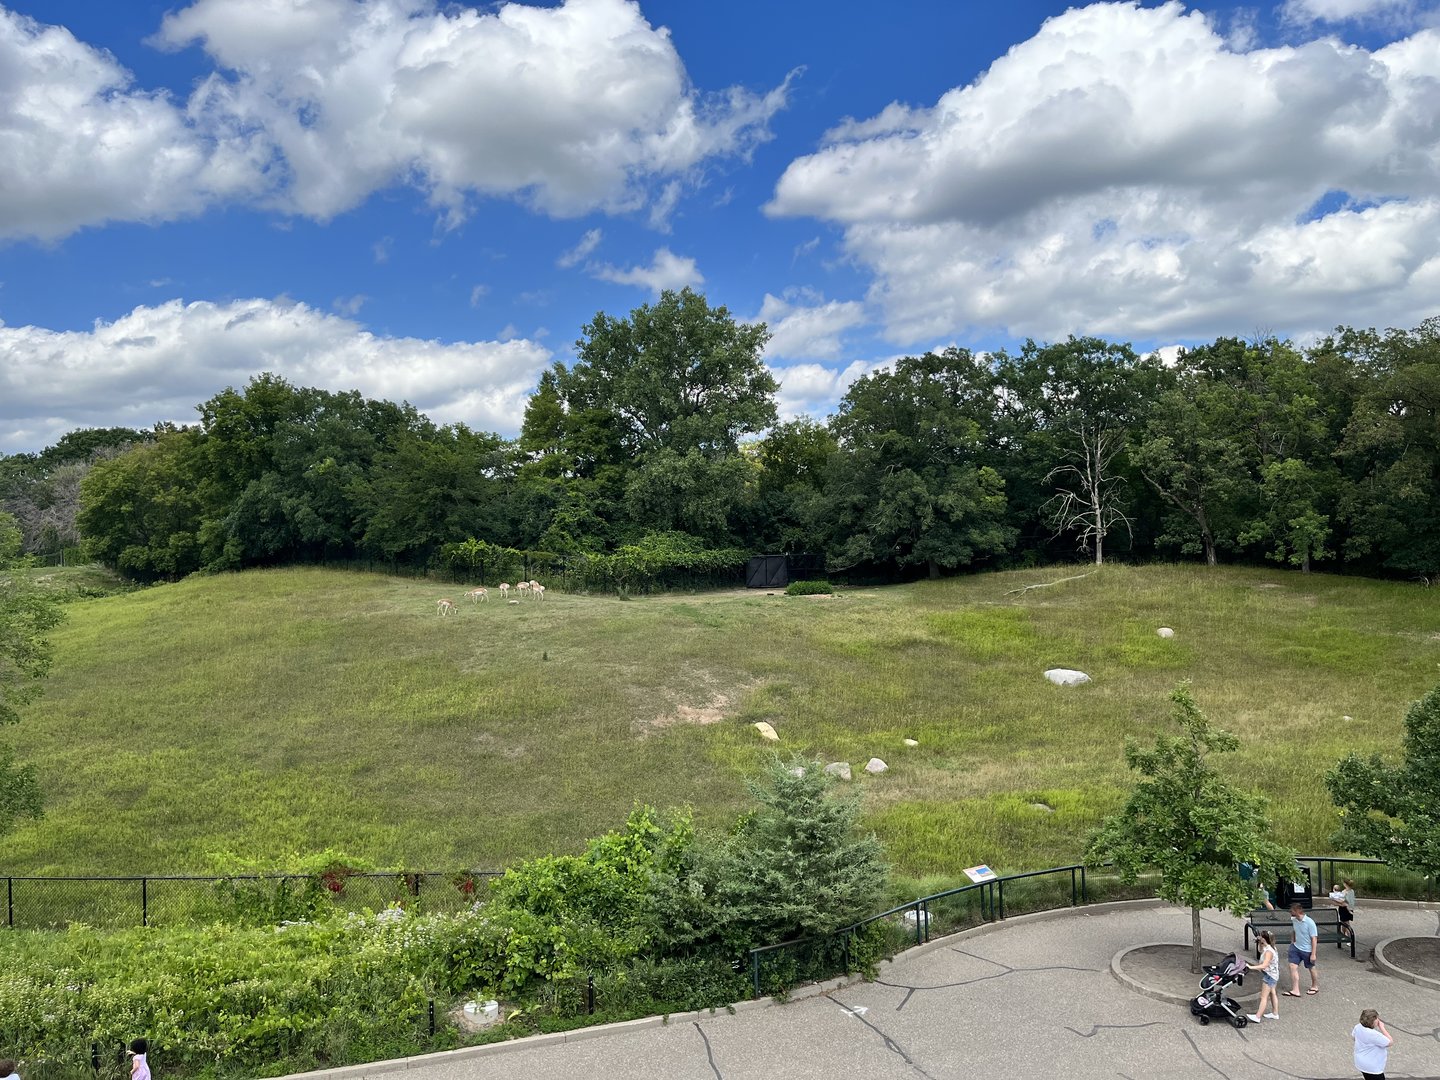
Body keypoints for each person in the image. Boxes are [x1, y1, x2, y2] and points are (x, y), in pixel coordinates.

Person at [1246, 929, 1282, 1023]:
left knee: (1264, 997)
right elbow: (1260, 950)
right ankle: (1275, 1013)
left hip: (1270, 976)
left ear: (1265, 939)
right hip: (1273, 974)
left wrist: (1251, 967)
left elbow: (1264, 965)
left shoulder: (1269, 952)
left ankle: (1258, 1016)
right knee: (1273, 993)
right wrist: (1260, 943)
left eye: (1261, 937)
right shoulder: (1270, 947)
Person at [1284, 902, 1319, 997]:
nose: (1290, 912)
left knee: (1311, 967)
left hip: (1307, 949)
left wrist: (1313, 954)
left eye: (1292, 910)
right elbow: (1294, 931)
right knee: (1292, 967)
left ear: (1297, 911)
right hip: (1296, 947)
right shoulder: (1294, 920)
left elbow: (1314, 938)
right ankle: (1295, 989)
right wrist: (1292, 943)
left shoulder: (1309, 922)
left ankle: (1315, 986)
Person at [1352, 1008, 1392, 1079]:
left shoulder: (1358, 1027)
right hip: (1372, 1068)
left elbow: (1354, 1037)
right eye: (1377, 1018)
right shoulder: (1374, 1034)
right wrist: (1382, 1027)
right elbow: (1390, 1042)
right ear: (1373, 1022)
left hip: (1361, 1063)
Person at [1330, 878, 1357, 942]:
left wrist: (1333, 899)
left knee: (1346, 923)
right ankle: (1343, 935)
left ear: (1345, 884)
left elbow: (1341, 900)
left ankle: (1350, 938)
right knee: (1343, 922)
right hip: (1350, 908)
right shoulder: (1352, 891)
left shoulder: (1344, 892)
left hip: (1344, 909)